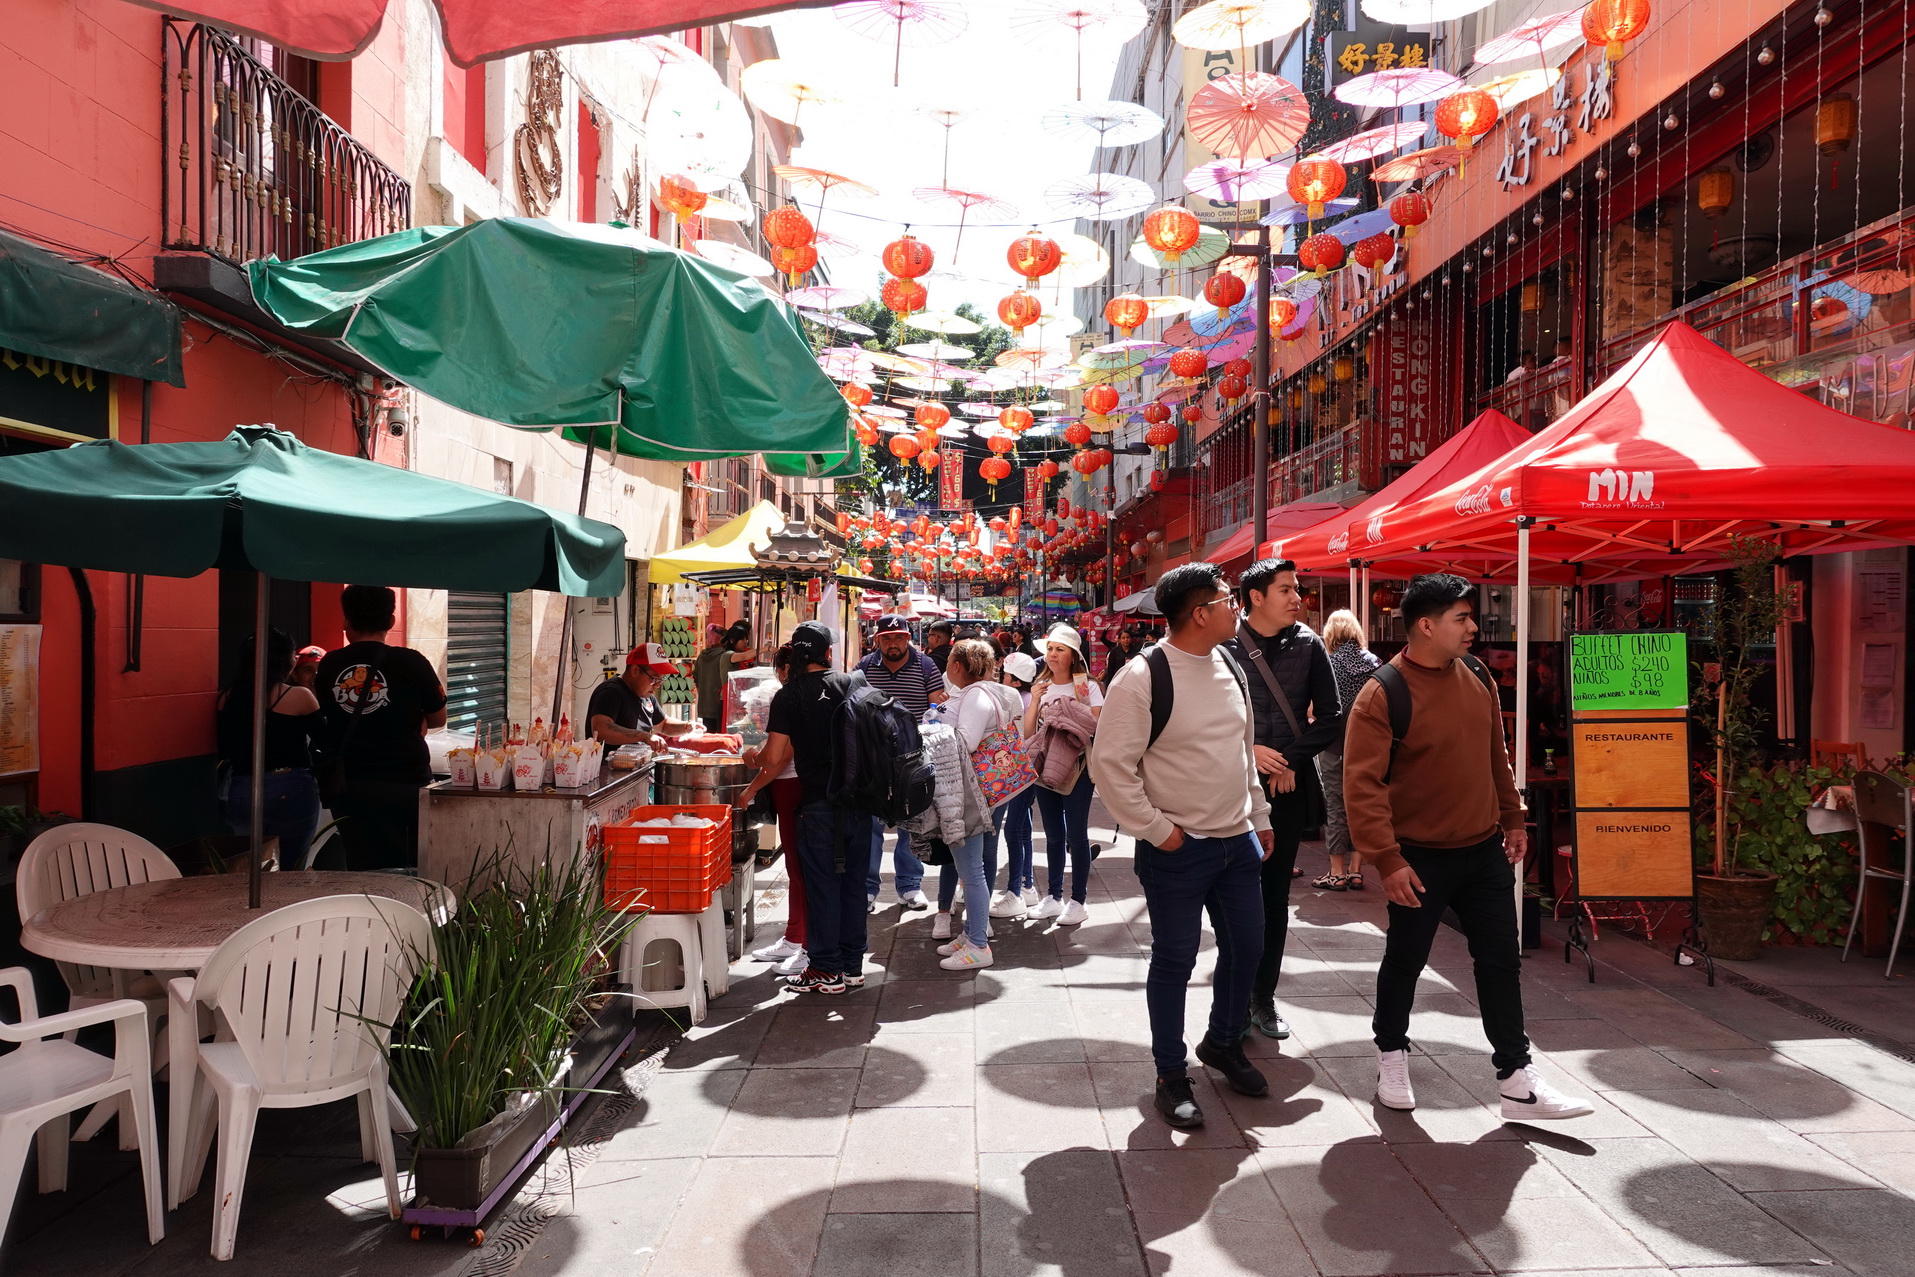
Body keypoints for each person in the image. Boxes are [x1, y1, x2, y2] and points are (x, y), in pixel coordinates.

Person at [1343, 572, 1593, 1121]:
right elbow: (1362, 786)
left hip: (1483, 851)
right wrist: (1387, 859)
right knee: (1405, 960)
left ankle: (1517, 1080)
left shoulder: (1477, 675)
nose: (1473, 627)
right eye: (1461, 618)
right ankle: (1391, 1055)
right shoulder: (1383, 693)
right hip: (1418, 858)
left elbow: (1494, 755)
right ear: (1426, 626)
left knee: (1501, 961)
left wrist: (1513, 817)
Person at [1089, 562, 1273, 1129]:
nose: (1237, 606)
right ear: (1199, 613)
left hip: (1237, 841)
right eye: (1228, 599)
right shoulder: (1143, 676)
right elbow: (1109, 766)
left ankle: (1223, 1041)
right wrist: (1158, 831)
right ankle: (1171, 1074)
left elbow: (1242, 750)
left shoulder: (1231, 664)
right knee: (1175, 959)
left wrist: (1258, 813)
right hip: (1179, 848)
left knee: (1248, 947)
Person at [1224, 557, 1343, 1042]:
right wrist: (1250, 750)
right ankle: (1232, 1001)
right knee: (1232, 897)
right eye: (1287, 589)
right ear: (1256, 597)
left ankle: (1263, 997)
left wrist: (1290, 759)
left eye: (1297, 589)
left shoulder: (1310, 644)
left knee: (1274, 898)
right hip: (1231, 788)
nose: (1298, 598)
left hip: (1286, 789)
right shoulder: (1224, 645)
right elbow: (1208, 719)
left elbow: (1331, 717)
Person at [736, 622, 871, 995]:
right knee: (853, 886)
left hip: (818, 804)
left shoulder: (789, 695)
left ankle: (825, 969)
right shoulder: (852, 683)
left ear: (796, 655)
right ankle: (852, 967)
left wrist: (752, 758)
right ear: (827, 653)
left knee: (822, 886)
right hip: (859, 802)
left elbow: (774, 757)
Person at [314, 585, 448, 871]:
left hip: (350, 787)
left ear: (346, 621)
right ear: (391, 620)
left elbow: (329, 712)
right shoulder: (411, 662)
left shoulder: (329, 665)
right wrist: (417, 718)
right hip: (405, 783)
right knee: (410, 868)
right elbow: (439, 718)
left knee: (362, 868)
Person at [925, 638, 1026, 968]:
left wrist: (932, 729)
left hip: (970, 792)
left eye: (948, 662)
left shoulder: (976, 696)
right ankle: (971, 934)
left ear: (957, 666)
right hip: (973, 790)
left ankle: (979, 946)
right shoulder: (979, 693)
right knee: (971, 869)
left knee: (972, 872)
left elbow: (964, 742)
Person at [856, 613, 947, 911]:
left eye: (898, 637)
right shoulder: (864, 667)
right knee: (870, 823)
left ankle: (909, 885)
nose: (893, 643)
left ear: (908, 638)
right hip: (873, 758)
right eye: (887, 638)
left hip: (913, 757)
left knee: (913, 820)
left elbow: (937, 707)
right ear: (878, 640)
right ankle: (868, 887)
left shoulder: (926, 665)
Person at [217, 628, 322, 867]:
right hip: (290, 787)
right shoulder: (299, 696)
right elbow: (326, 742)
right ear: (286, 661)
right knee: (291, 867)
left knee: (249, 867)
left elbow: (225, 747)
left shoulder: (227, 698)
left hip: (242, 789)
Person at [1024, 623, 1100, 926]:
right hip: (1044, 767)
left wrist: (1067, 712)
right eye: (1050, 649)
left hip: (1077, 768)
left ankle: (1078, 901)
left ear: (1073, 656)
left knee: (1077, 835)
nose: (1053, 655)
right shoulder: (1041, 686)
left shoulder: (1085, 686)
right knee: (1054, 835)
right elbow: (1028, 733)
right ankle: (1054, 897)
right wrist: (1034, 701)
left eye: (1060, 650)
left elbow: (1097, 726)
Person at [747, 645, 809, 977]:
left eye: (779, 669)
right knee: (797, 869)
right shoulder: (803, 694)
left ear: (786, 668)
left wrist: (752, 776)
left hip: (793, 786)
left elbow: (779, 757)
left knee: (800, 869)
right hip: (794, 787)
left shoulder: (790, 697)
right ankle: (795, 936)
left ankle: (803, 943)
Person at [1315, 608, 1378, 892]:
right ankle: (1356, 871)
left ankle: (1336, 872)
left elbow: (1315, 709)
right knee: (1361, 804)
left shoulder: (1327, 664)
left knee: (1335, 804)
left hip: (1332, 743)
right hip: (1366, 745)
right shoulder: (1375, 663)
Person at [988, 651, 1041, 916]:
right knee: (1022, 828)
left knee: (1013, 830)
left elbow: (1019, 737)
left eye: (1004, 675)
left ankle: (1015, 892)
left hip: (1018, 772)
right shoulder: (1026, 698)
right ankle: (1026, 886)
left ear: (1016, 681)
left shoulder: (1018, 700)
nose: (1000, 678)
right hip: (1024, 771)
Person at [587, 643, 702, 749]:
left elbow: (663, 725)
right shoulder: (611, 692)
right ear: (635, 670)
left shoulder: (646, 694)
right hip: (610, 763)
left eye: (661, 679)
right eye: (654, 678)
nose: (657, 685)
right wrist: (644, 736)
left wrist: (687, 726)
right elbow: (601, 730)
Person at [694, 621, 754, 733]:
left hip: (705, 705)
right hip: (722, 702)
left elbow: (696, 680)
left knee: (710, 737)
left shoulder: (701, 656)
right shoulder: (728, 655)